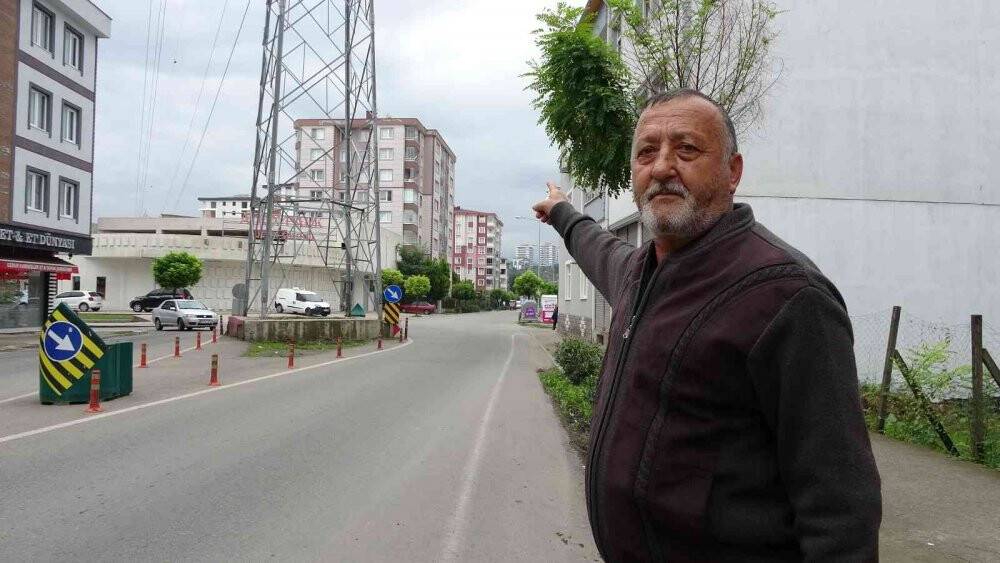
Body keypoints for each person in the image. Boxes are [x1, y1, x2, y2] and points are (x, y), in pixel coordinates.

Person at [532, 88, 881, 562]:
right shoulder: (641, 273)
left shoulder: (789, 297)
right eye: (646, 153)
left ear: (733, 172)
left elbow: (841, 511)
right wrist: (561, 212)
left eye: (687, 149)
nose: (661, 168)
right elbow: (596, 247)